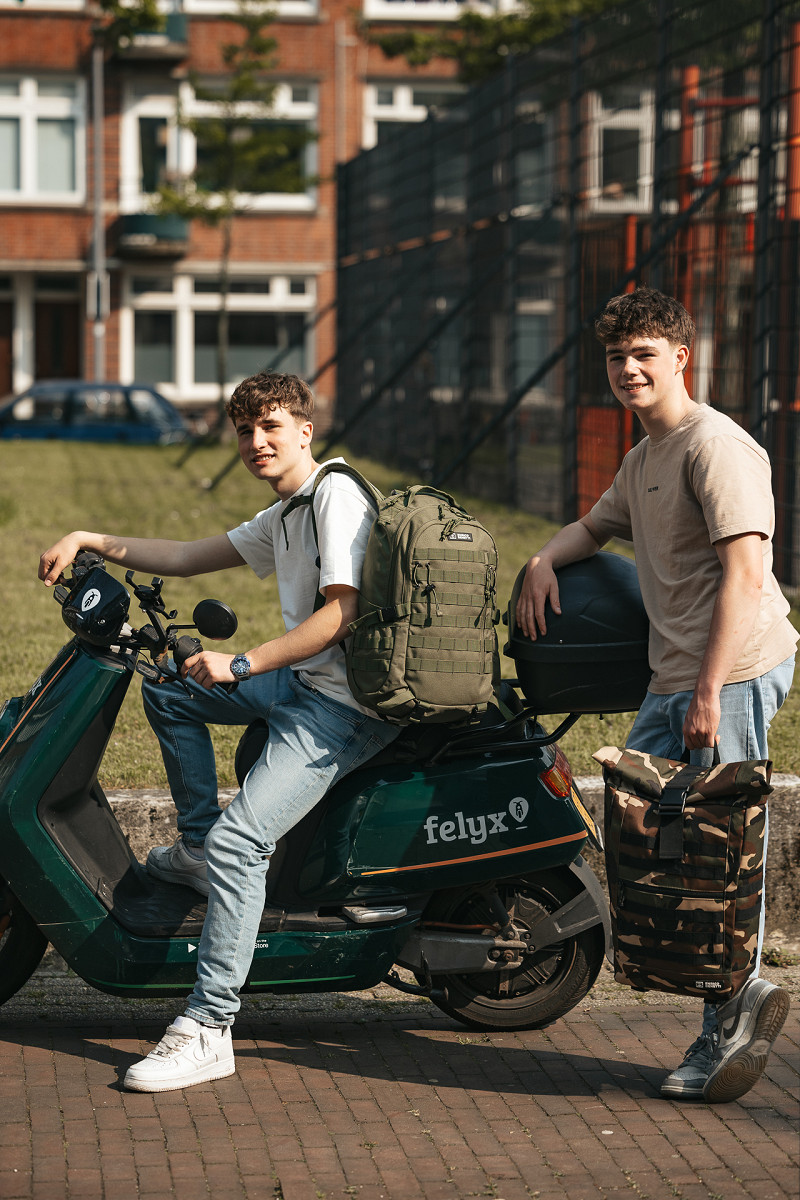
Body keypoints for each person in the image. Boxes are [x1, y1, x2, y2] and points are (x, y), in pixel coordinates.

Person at [39, 371, 400, 1092]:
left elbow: (342, 613)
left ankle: (209, 1026)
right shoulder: (288, 510)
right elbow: (185, 554)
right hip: (304, 685)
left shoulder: (334, 496)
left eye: (271, 426)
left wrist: (244, 662)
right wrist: (88, 539)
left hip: (345, 709)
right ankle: (199, 848)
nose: (257, 441)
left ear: (305, 430)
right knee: (171, 690)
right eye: (245, 431)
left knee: (246, 842)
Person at [516, 287, 796, 1104]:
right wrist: (542, 559)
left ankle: (725, 1025)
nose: (629, 369)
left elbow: (746, 575)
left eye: (644, 354)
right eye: (617, 357)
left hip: (729, 672)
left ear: (681, 358)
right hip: (675, 674)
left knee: (718, 854)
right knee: (648, 835)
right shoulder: (646, 457)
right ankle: (735, 992)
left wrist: (707, 691)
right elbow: (594, 527)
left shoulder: (718, 447)